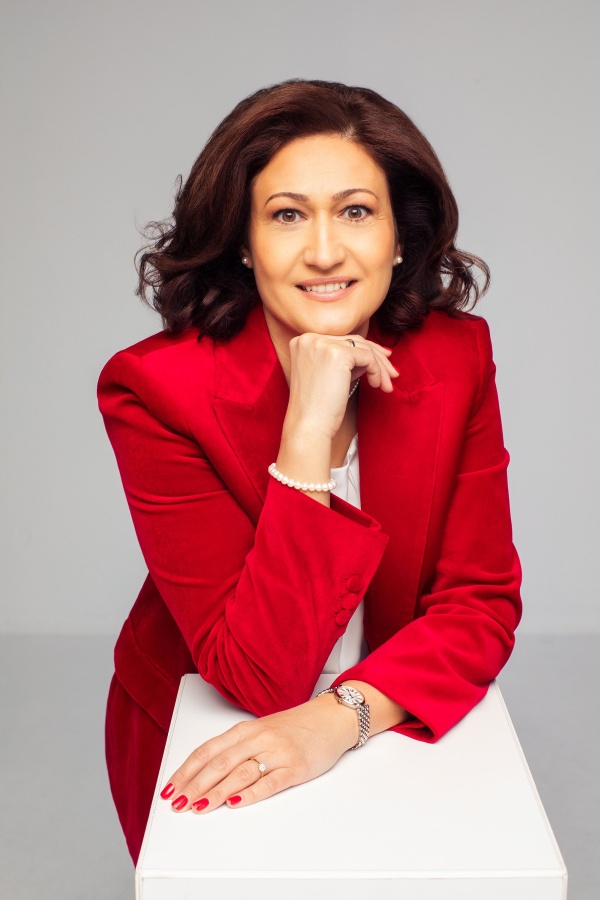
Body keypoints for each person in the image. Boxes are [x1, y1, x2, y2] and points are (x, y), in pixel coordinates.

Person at [98, 78, 522, 864]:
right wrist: (307, 432)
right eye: (287, 215)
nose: (324, 251)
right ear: (244, 242)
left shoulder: (456, 358)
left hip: (385, 716)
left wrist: (340, 719)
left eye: (356, 212)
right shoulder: (157, 389)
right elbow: (257, 678)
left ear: (400, 236)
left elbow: (480, 604)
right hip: (211, 735)